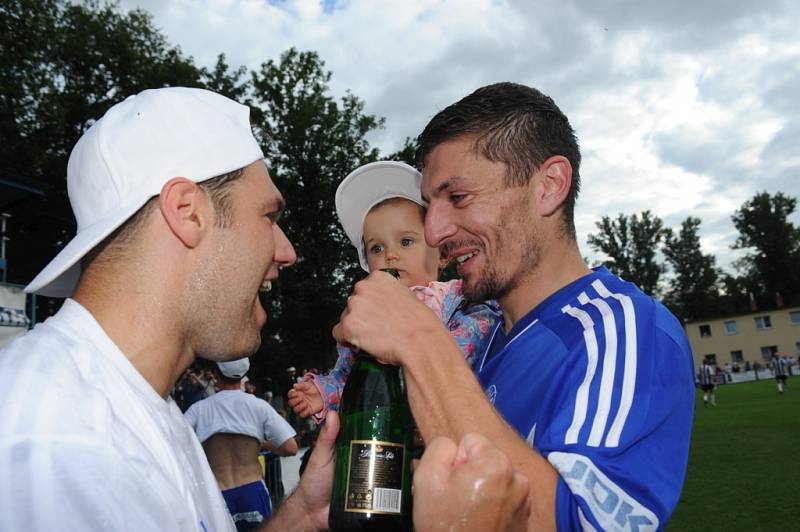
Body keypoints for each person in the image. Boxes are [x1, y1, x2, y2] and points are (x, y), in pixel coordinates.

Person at [0, 86, 529, 532]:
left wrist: (299, 514)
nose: (287, 251)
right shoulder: (60, 441)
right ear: (187, 213)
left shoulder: (132, 407)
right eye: (268, 216)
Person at [333, 82, 696, 531]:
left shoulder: (620, 330)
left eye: (458, 197)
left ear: (548, 186)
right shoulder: (483, 340)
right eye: (430, 206)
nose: (434, 232)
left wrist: (417, 340)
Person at [288, 161, 500, 422]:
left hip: (451, 427)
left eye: (406, 241)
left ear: (443, 254)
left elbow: (470, 342)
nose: (391, 254)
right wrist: (324, 392)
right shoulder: (364, 316)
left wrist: (403, 343)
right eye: (377, 248)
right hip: (389, 432)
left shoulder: (461, 299)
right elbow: (348, 377)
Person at [185, 358, 298, 530]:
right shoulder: (258, 406)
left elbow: (176, 441)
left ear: (215, 375)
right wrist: (263, 444)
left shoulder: (199, 409)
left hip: (217, 494)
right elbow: (291, 447)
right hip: (252, 490)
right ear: (244, 374)